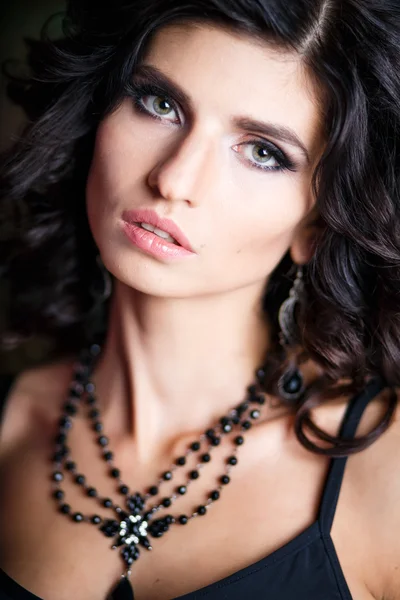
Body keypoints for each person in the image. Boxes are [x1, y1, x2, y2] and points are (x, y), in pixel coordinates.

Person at [1, 0, 400, 598]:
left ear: (315, 226)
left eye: (263, 152)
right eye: (160, 104)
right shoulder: (9, 428)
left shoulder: (386, 469)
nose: (174, 181)